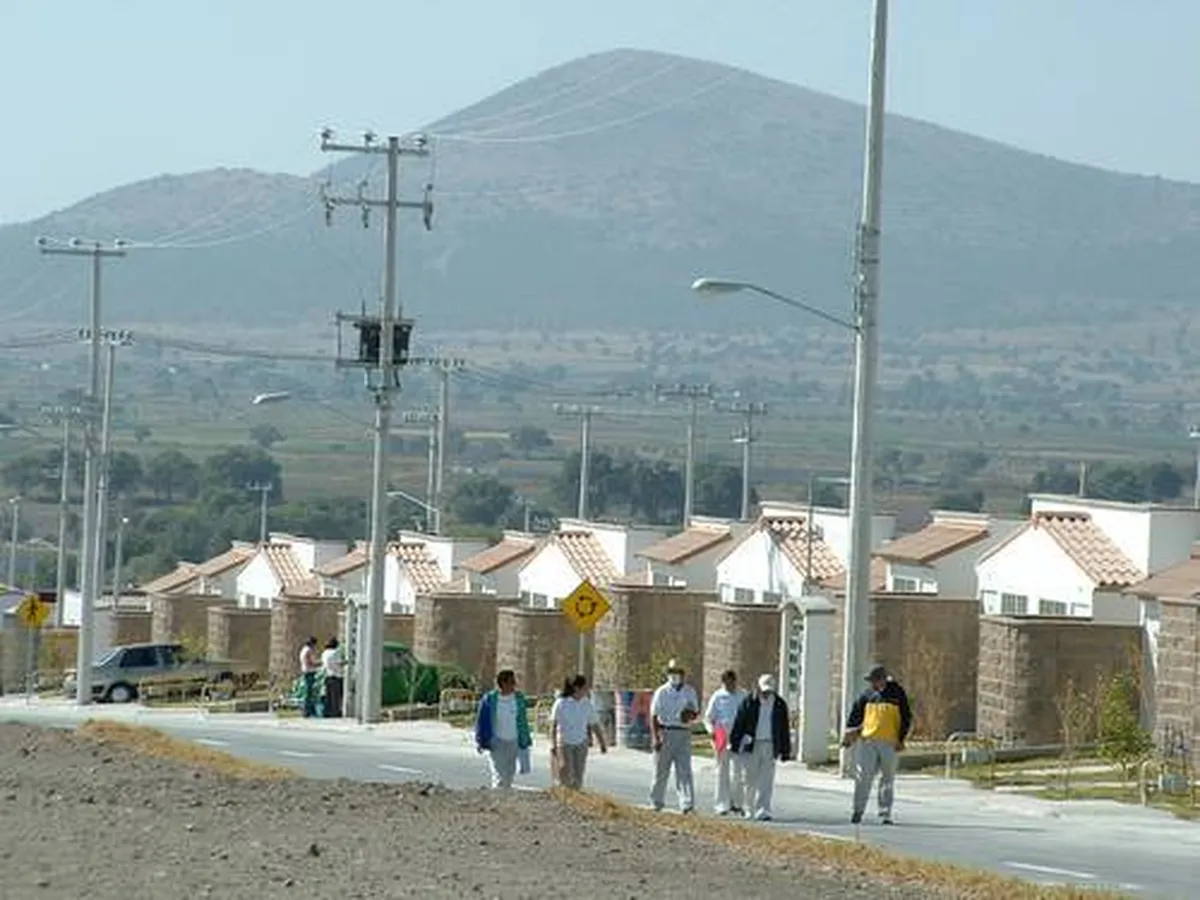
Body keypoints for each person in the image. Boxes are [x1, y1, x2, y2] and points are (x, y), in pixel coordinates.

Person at [842, 664, 912, 826]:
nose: (872, 684)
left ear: (882, 679)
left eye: (874, 680)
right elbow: (855, 715)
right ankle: (858, 810)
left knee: (887, 778)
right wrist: (849, 735)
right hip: (868, 741)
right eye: (870, 681)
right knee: (863, 777)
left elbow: (906, 717)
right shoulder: (867, 695)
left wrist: (901, 738)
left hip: (890, 742)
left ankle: (885, 813)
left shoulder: (897, 693)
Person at [728, 673, 792, 821]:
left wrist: (785, 750)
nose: (766, 693)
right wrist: (735, 743)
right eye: (764, 691)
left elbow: (784, 729)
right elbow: (739, 723)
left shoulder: (779, 705)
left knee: (766, 780)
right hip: (752, 744)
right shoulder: (749, 702)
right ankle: (748, 808)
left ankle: (763, 810)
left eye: (769, 691)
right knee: (750, 778)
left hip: (770, 744)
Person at [649, 658, 699, 813]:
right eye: (672, 672)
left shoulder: (690, 691)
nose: (674, 675)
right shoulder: (662, 691)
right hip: (666, 731)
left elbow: (695, 712)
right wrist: (656, 737)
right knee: (660, 769)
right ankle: (656, 801)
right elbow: (653, 715)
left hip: (683, 732)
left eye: (677, 672)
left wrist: (689, 715)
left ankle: (687, 804)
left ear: (683, 674)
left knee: (684, 770)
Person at [474, 669, 532, 790]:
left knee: (509, 774)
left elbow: (522, 720)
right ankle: (498, 798)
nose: (514, 685)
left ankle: (504, 798)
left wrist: (525, 739)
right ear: (503, 683)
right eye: (511, 682)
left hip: (514, 741)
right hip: (497, 742)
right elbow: (482, 720)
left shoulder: (519, 699)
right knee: (499, 774)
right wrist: (480, 740)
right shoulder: (490, 699)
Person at [549, 674, 606, 790]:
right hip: (565, 742)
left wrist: (602, 743)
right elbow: (553, 725)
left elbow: (594, 724)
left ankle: (575, 799)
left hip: (581, 743)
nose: (587, 690)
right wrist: (553, 743)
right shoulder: (561, 703)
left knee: (578, 775)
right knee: (565, 771)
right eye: (585, 687)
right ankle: (563, 795)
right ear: (576, 688)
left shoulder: (587, 704)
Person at [703, 668, 747, 816]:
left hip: (738, 738)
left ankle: (738, 803)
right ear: (723, 683)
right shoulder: (718, 696)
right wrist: (712, 732)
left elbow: (749, 718)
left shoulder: (743, 695)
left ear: (735, 681)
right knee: (722, 772)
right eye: (726, 683)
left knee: (739, 773)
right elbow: (708, 718)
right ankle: (722, 804)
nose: (729, 686)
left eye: (732, 682)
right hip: (722, 737)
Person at [320, 637, 344, 718]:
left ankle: (327, 711)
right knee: (336, 696)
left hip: (327, 675)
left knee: (328, 695)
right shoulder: (336, 652)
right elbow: (339, 662)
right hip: (336, 675)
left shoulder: (324, 653)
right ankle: (335, 712)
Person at [298, 636, 319, 718]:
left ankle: (308, 710)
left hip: (305, 671)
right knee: (309, 692)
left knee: (308, 692)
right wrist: (319, 663)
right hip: (309, 672)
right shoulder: (308, 651)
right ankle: (307, 711)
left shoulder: (303, 650)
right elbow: (311, 662)